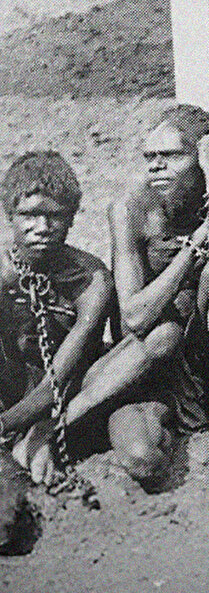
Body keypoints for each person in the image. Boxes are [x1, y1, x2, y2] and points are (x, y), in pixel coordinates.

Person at [105, 106, 209, 484]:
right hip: (148, 360)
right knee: (143, 461)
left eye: (172, 156)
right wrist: (193, 246)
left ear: (203, 156)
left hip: (203, 356)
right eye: (150, 157)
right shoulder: (131, 209)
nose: (156, 167)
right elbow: (135, 318)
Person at [0, 153, 115, 487]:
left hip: (67, 389)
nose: (42, 228)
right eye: (29, 215)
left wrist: (14, 425)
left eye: (54, 216)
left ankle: (39, 436)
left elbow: (63, 371)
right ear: (10, 216)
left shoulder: (91, 279)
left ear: (72, 219)